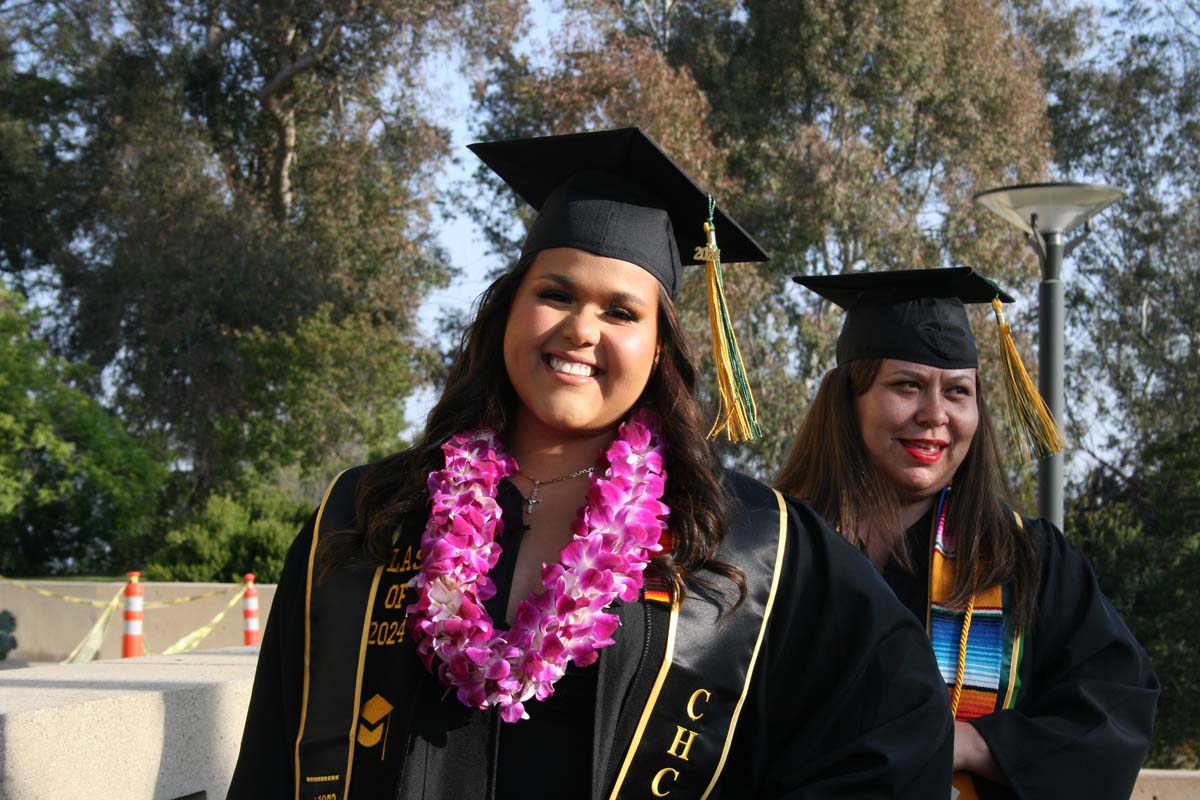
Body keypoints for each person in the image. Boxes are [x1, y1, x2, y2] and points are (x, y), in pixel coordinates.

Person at [227, 129, 953, 799]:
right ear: (509, 311)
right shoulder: (370, 515)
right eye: (555, 294)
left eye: (621, 313)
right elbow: (271, 754)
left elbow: (902, 713)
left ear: (660, 347)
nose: (580, 330)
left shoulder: (743, 539)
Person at [777, 267, 1160, 800]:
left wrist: (971, 743)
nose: (935, 415)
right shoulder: (777, 550)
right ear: (849, 401)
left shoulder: (1027, 560)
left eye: (958, 392)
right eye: (907, 385)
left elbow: (1115, 710)